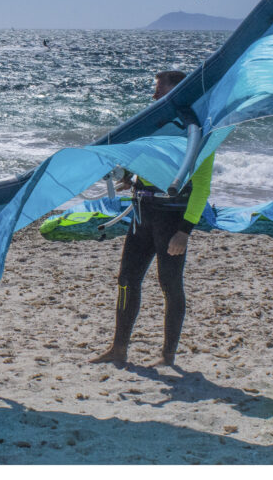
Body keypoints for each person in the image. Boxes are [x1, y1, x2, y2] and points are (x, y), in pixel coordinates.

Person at [92, 70, 215, 367]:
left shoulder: (198, 132)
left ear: (177, 92)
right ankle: (118, 348)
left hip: (172, 218)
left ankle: (167, 355)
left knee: (169, 285)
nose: (154, 96)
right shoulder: (155, 124)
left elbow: (202, 187)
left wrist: (185, 231)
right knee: (127, 280)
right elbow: (149, 161)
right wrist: (130, 175)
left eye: (159, 90)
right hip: (142, 213)